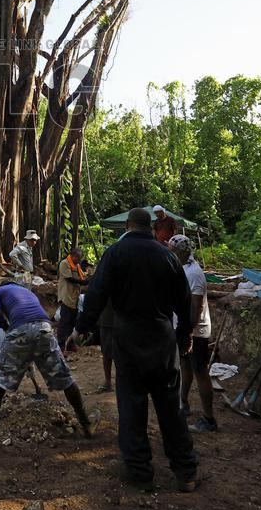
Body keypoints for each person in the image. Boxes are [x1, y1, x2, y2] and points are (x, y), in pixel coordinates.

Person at [72, 207, 198, 491]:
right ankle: (186, 471)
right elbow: (184, 300)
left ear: (127, 226)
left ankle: (140, 471)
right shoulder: (167, 255)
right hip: (163, 339)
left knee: (131, 405)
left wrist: (82, 328)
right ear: (151, 227)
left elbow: (96, 294)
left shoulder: (115, 253)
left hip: (128, 339)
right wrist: (185, 333)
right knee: (170, 406)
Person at [0, 282, 97, 437]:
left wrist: (5, 326)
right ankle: (85, 422)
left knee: (0, 376)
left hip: (19, 330)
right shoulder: (26, 292)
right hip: (44, 328)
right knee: (64, 377)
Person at [168, 235, 217, 433]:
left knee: (200, 371)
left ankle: (209, 418)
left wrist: (189, 332)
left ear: (181, 251)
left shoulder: (195, 273)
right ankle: (184, 403)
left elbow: (196, 306)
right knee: (185, 366)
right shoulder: (181, 268)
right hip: (184, 328)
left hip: (195, 331)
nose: (169, 252)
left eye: (172, 249)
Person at [57, 247, 89, 349]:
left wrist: (87, 279)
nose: (79, 260)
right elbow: (69, 278)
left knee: (72, 322)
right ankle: (61, 346)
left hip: (75, 297)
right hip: (66, 296)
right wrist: (83, 282)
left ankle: (70, 344)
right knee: (64, 322)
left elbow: (82, 277)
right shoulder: (64, 263)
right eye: (78, 258)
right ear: (73, 256)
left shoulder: (77, 266)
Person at [97, 298, 115, 393]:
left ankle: (108, 382)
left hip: (109, 318)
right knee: (107, 353)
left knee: (108, 353)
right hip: (110, 318)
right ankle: (108, 382)